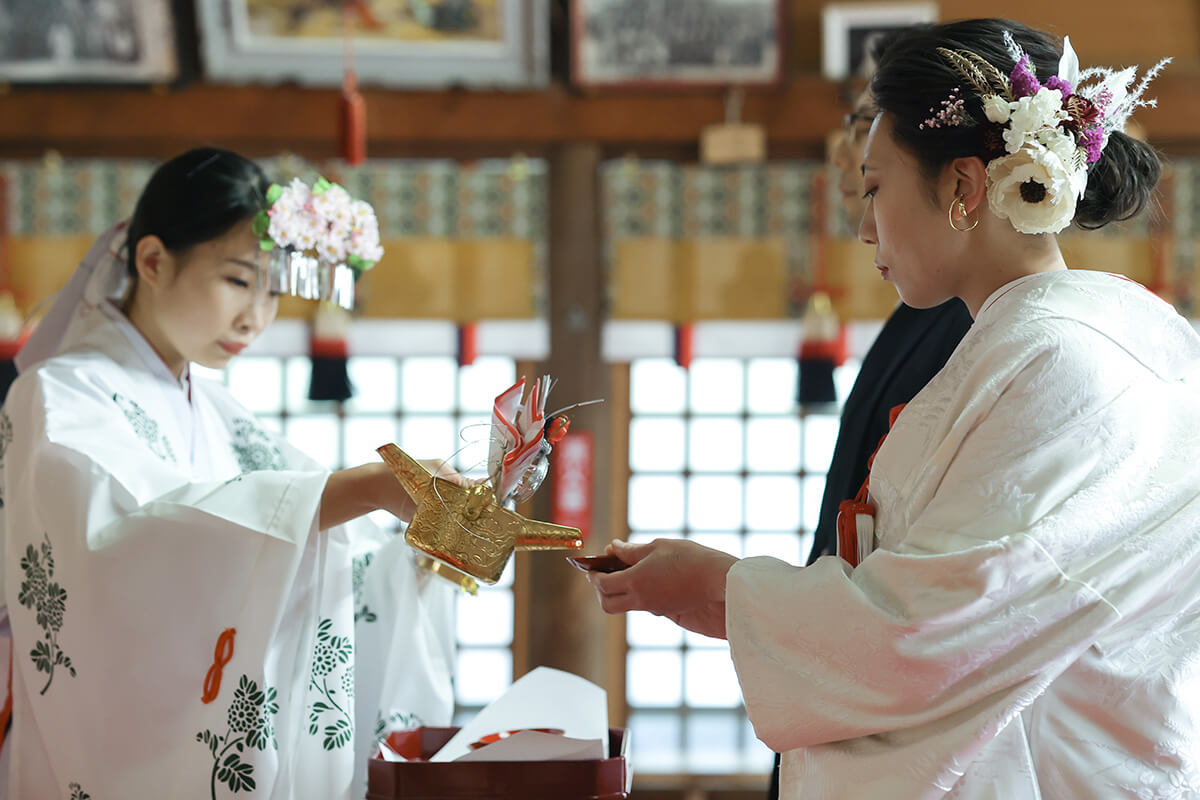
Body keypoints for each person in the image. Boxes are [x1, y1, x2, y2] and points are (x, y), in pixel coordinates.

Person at [590, 18, 1200, 798]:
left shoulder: (1062, 361)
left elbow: (935, 632)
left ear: (963, 187)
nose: (864, 223)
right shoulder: (1051, 340)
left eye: (875, 187)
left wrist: (721, 590)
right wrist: (725, 597)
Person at [0, 148, 458, 799]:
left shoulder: (214, 410)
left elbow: (313, 530)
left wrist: (420, 555)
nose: (257, 317)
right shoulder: (59, 397)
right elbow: (127, 537)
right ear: (153, 261)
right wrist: (367, 488)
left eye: (272, 289)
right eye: (240, 282)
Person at [768, 31, 975, 799]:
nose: (856, 136)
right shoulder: (930, 309)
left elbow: (940, 589)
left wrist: (730, 594)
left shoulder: (987, 332)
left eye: (867, 121)